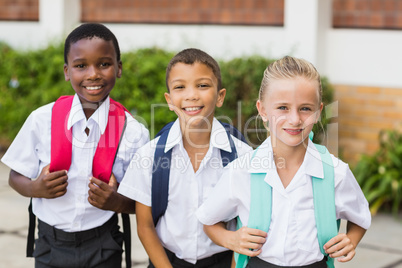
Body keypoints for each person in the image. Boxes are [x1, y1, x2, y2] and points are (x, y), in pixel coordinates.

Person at [196, 56, 371, 268]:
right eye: (283, 108)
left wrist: (351, 240)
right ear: (262, 110)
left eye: (305, 108)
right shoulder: (240, 172)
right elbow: (208, 220)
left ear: (318, 111)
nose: (295, 119)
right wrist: (230, 239)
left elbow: (360, 218)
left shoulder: (336, 173)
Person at [1, 23, 149, 268]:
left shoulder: (132, 132)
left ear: (119, 68)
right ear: (67, 71)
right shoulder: (42, 120)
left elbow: (143, 201)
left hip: (104, 244)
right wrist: (35, 188)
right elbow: (15, 177)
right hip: (50, 244)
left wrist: (117, 202)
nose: (93, 74)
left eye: (104, 64)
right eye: (81, 66)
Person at [117, 48, 252, 267]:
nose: (191, 95)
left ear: (220, 96)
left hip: (224, 261)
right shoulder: (149, 156)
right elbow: (145, 226)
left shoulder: (242, 156)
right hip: (166, 261)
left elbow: (245, 223)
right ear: (169, 100)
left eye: (203, 85)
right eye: (180, 87)